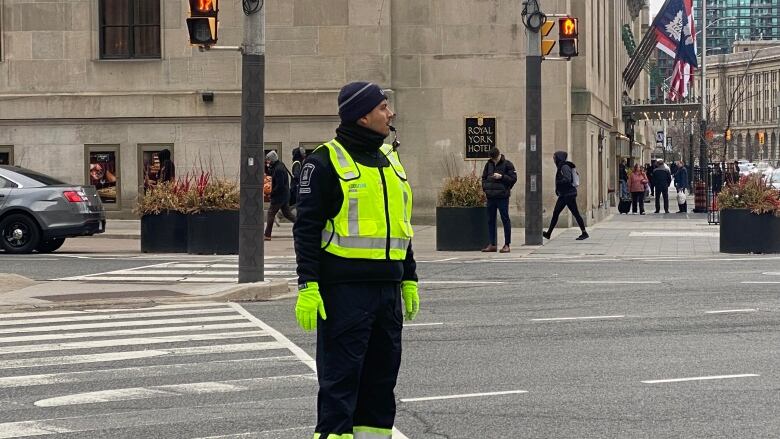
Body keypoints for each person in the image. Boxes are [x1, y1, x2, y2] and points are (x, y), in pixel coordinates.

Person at [293, 81, 419, 439]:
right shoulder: (324, 162)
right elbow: (306, 230)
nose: (389, 113)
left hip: (387, 293)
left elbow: (402, 227)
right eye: (383, 107)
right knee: (340, 386)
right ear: (362, 116)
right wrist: (308, 285)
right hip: (344, 293)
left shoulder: (391, 161)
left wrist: (408, 277)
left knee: (381, 387)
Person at [543, 151, 589, 240]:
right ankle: (548, 233)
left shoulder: (564, 167)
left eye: (555, 157)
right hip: (565, 194)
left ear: (559, 157)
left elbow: (567, 179)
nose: (554, 159)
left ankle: (584, 233)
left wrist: (559, 183)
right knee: (556, 212)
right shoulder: (562, 166)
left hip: (569, 194)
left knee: (574, 213)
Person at [480, 147, 517, 253]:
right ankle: (492, 244)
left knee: (505, 219)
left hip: (502, 197)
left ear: (499, 155)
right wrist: (485, 188)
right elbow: (484, 177)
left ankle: (507, 245)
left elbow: (513, 179)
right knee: (490, 220)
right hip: (490, 197)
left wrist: (501, 177)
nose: (494, 161)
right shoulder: (489, 164)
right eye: (492, 159)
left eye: (495, 159)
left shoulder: (508, 164)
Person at [264, 150, 296, 240]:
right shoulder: (279, 166)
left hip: (279, 196)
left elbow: (280, 185)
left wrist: (271, 193)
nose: (267, 162)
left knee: (270, 213)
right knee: (287, 214)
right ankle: (301, 225)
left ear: (273, 160)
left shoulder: (278, 169)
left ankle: (267, 235)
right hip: (284, 195)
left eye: (268, 160)